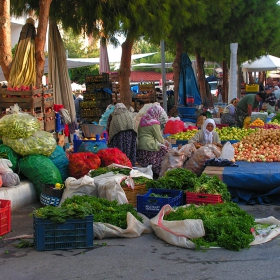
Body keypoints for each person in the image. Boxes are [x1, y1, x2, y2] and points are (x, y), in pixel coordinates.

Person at [136, 104, 169, 176]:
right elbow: (159, 138)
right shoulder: (154, 123)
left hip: (140, 146)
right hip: (149, 146)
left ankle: (148, 171)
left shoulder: (143, 119)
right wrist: (166, 144)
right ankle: (157, 172)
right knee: (164, 151)